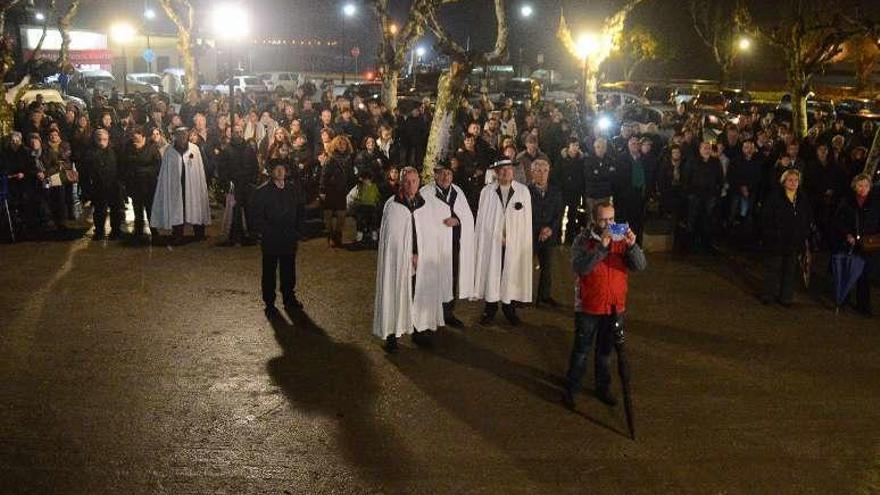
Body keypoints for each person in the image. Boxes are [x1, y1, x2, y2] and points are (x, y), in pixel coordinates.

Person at [562, 201, 647, 411]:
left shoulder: (622, 240)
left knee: (605, 352)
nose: (609, 223)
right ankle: (571, 390)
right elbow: (581, 267)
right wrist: (602, 247)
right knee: (581, 351)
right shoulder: (582, 240)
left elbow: (640, 265)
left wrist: (633, 246)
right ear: (594, 220)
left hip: (614, 307)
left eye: (612, 219)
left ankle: (603, 388)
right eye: (603, 219)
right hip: (589, 307)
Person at [373, 167, 448, 353]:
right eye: (407, 181)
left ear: (419, 182)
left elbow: (427, 233)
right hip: (398, 261)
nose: (411, 185)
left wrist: (419, 253)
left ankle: (418, 331)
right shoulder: (393, 206)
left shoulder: (425, 205)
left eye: (414, 181)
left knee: (418, 294)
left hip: (420, 260)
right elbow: (392, 238)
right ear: (401, 182)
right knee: (395, 292)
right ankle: (392, 335)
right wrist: (406, 255)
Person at [473, 160, 533, 325]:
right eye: (502, 170)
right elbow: (483, 219)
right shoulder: (487, 192)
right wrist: (496, 236)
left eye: (509, 169)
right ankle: (490, 308)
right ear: (496, 172)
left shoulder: (523, 191)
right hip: (492, 242)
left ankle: (509, 308)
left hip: (514, 243)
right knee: (492, 272)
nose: (506, 172)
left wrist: (514, 238)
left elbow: (526, 222)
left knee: (511, 273)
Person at [420, 161, 476, 328]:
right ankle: (431, 312)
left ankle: (448, 312)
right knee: (432, 276)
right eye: (442, 173)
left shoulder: (458, 192)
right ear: (435, 174)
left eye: (449, 174)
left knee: (450, 277)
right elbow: (421, 218)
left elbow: (467, 216)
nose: (445, 177)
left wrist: (457, 220)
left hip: (453, 243)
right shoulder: (426, 193)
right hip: (433, 244)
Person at [251, 161, 305, 314]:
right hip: (271, 238)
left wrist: (298, 231)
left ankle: (289, 297)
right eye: (277, 169)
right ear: (271, 172)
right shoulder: (262, 192)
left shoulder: (292, 189)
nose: (280, 172)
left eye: (282, 169)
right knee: (269, 271)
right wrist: (264, 232)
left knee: (288, 269)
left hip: (289, 236)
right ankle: (269, 302)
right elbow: (256, 215)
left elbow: (300, 210)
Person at [760, 169, 813, 307]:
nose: (793, 183)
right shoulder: (775, 197)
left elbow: (806, 217)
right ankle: (768, 294)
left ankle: (786, 297)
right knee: (773, 268)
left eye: (796, 180)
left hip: (794, 240)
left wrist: (804, 234)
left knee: (790, 270)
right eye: (790, 180)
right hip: (777, 238)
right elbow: (766, 216)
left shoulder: (802, 198)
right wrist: (771, 232)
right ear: (784, 181)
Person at [151, 127, 212, 245]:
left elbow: (200, 170)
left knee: (194, 206)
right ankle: (177, 234)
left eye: (185, 134)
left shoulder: (194, 149)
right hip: (175, 187)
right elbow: (165, 172)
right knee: (177, 209)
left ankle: (199, 233)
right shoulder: (169, 151)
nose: (183, 137)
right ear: (176, 136)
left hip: (193, 185)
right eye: (180, 135)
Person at [832, 174, 879, 316]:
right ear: (855, 187)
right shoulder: (847, 202)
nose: (863, 188)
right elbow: (838, 220)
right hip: (849, 243)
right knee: (848, 271)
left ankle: (863, 305)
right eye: (860, 185)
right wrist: (847, 234)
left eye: (866, 185)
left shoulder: (876, 203)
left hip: (868, 244)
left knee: (864, 276)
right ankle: (843, 300)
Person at [217, 123, 260, 246]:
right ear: (232, 134)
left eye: (241, 131)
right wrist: (227, 183)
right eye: (237, 132)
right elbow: (223, 169)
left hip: (247, 185)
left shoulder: (249, 149)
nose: (239, 134)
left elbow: (255, 166)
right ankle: (237, 236)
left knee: (250, 211)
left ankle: (252, 236)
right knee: (235, 213)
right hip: (235, 186)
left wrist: (253, 181)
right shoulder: (227, 150)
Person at [530, 159, 563, 307]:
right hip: (530, 235)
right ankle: (522, 296)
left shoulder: (555, 192)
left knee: (547, 267)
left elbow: (558, 214)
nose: (542, 175)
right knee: (525, 266)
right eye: (538, 171)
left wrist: (550, 229)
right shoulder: (525, 191)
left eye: (545, 171)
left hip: (549, 235)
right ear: (532, 173)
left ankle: (544, 295)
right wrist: (538, 230)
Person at [81, 129, 124, 240]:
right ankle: (99, 231)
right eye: (99, 139)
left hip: (114, 186)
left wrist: (120, 182)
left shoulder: (115, 151)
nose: (102, 142)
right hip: (98, 186)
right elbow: (85, 172)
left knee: (116, 210)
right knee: (100, 210)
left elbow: (121, 166)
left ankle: (115, 231)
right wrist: (87, 189)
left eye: (104, 139)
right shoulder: (89, 153)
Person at [122, 127, 162, 240]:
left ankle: (154, 230)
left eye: (137, 135)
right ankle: (138, 230)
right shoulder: (129, 148)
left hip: (149, 183)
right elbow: (125, 164)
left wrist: (145, 171)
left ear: (143, 136)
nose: (135, 138)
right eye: (133, 136)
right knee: (137, 208)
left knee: (150, 208)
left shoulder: (152, 147)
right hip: (135, 183)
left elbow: (158, 165)